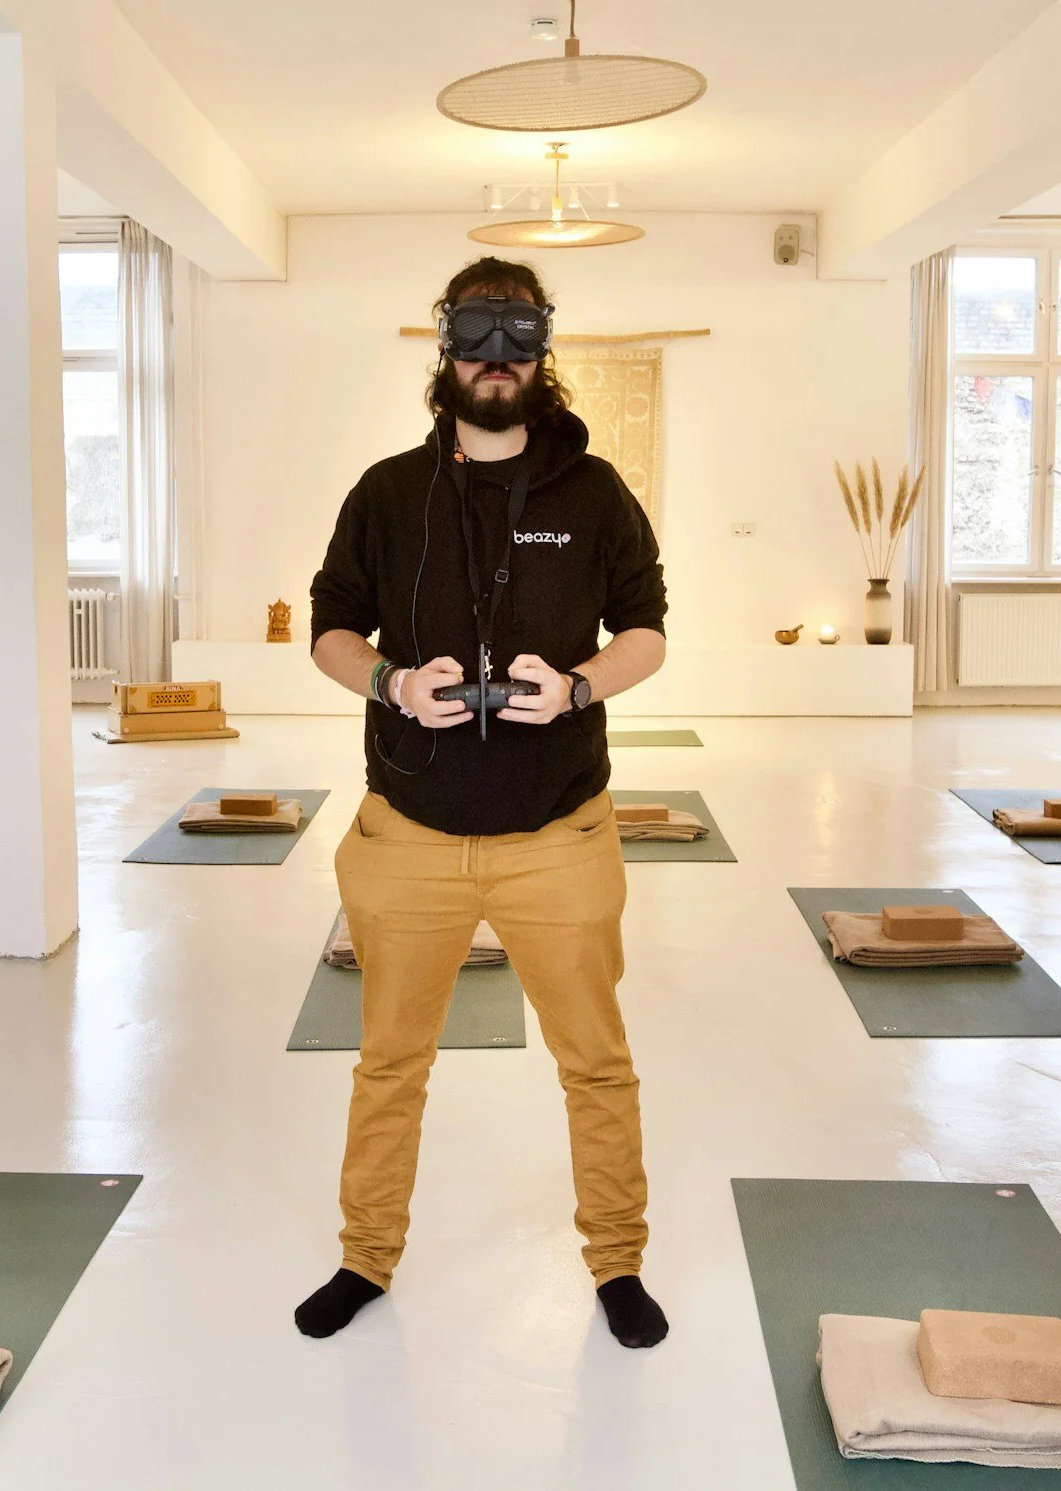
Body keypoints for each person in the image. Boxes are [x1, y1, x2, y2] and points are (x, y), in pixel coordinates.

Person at [297, 256, 671, 1348]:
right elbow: (327, 626)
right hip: (405, 832)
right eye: (474, 335)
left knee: (595, 1059)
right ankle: (366, 1255)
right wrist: (391, 680)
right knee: (388, 1062)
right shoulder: (385, 491)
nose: (493, 361)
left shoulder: (595, 495)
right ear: (444, 345)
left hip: (559, 831)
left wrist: (580, 685)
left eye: (514, 338)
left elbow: (646, 628)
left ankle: (617, 1260)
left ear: (542, 347)